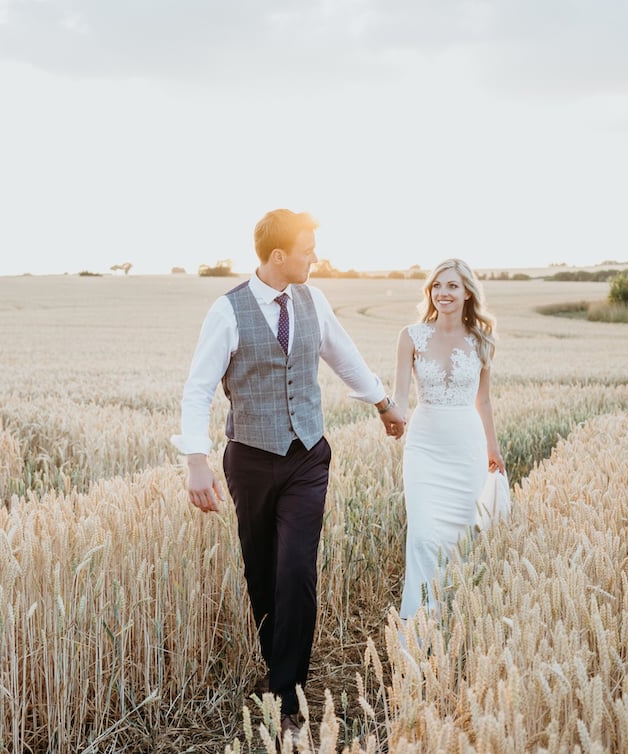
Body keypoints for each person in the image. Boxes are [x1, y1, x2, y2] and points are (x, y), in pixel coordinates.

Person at [172, 209, 406, 740]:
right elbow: (198, 388)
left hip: (307, 457)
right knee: (262, 574)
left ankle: (287, 698)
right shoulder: (227, 311)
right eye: (307, 249)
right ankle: (278, 668)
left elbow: (344, 358)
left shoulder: (313, 300)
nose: (314, 257)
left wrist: (383, 403)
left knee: (297, 571)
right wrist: (196, 460)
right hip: (251, 460)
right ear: (278, 256)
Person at [392, 258, 503, 619]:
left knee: (462, 541)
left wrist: (493, 449)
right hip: (424, 449)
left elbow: (483, 401)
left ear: (468, 291)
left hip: (467, 449)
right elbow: (400, 398)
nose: (443, 293)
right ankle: (419, 632)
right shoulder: (410, 336)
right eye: (437, 286)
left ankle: (456, 628)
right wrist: (385, 410)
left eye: (452, 286)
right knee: (424, 537)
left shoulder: (482, 341)